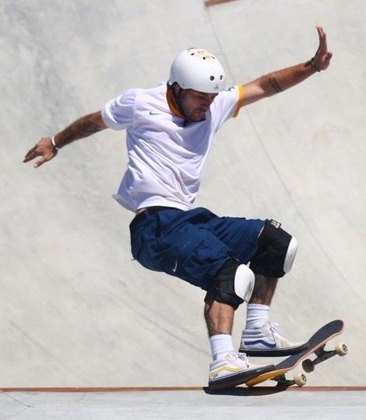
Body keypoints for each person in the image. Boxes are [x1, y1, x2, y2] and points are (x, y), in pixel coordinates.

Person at [23, 27, 333, 386]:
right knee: (231, 274)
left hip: (189, 220)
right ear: (177, 89)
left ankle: (258, 336)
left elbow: (265, 86)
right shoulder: (140, 103)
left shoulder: (214, 106)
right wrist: (56, 142)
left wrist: (313, 65)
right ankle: (223, 363)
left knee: (276, 243)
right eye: (200, 97)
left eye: (212, 97)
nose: (208, 104)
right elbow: (94, 122)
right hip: (154, 227)